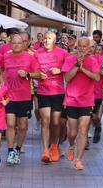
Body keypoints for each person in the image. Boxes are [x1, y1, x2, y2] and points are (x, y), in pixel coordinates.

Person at [62, 37, 100, 170]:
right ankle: (71, 145)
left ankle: (78, 160)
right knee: (72, 133)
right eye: (80, 46)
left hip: (87, 100)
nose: (82, 49)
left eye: (85, 46)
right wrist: (77, 65)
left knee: (83, 130)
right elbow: (67, 78)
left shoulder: (93, 61)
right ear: (76, 47)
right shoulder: (69, 59)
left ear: (89, 48)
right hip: (71, 100)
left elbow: (96, 77)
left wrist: (83, 69)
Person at [3, 35, 40, 165]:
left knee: (23, 125)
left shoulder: (30, 57)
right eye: (14, 43)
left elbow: (39, 74)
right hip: (9, 95)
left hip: (24, 96)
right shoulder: (5, 57)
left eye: (19, 43)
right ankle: (10, 151)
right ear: (10, 44)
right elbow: (1, 70)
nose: (17, 45)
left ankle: (18, 149)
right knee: (10, 124)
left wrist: (28, 74)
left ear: (24, 44)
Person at [35, 31, 69, 163]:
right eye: (45, 38)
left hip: (58, 92)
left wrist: (60, 70)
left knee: (55, 123)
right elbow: (33, 70)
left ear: (54, 41)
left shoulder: (62, 53)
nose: (46, 40)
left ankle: (54, 146)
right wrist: (38, 75)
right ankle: (45, 150)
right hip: (43, 92)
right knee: (45, 121)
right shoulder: (37, 53)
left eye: (49, 38)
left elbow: (69, 68)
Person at [90, 42, 103, 144]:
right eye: (97, 49)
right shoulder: (86, 58)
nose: (97, 51)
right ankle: (85, 140)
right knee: (88, 116)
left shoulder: (102, 60)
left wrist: (100, 71)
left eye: (100, 50)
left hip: (98, 91)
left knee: (96, 117)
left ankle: (98, 127)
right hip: (86, 92)